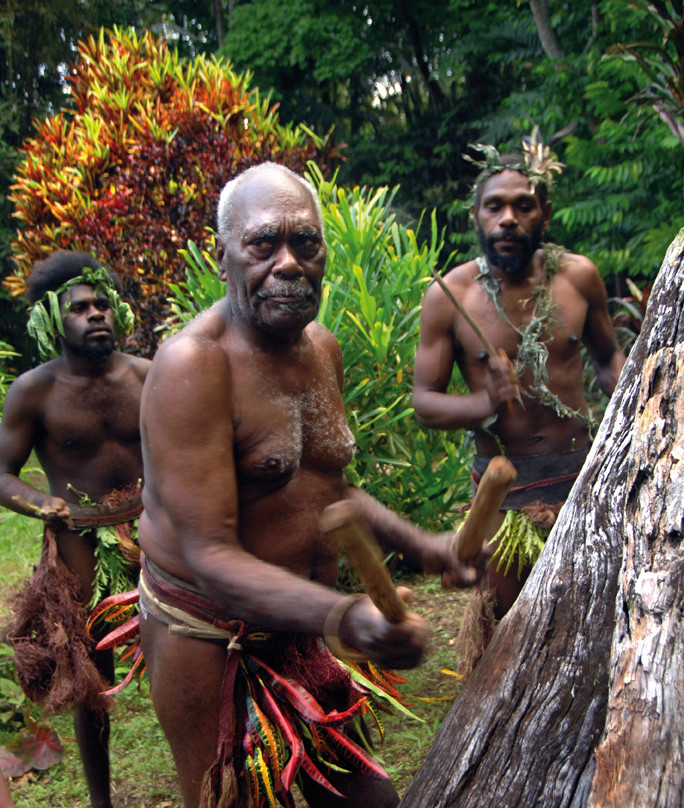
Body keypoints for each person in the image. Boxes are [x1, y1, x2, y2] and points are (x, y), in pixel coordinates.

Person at [137, 162, 475, 808]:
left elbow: (328, 491)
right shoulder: (193, 368)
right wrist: (346, 616)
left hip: (295, 632)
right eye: (264, 244)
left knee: (371, 802)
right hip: (212, 641)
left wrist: (426, 544)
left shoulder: (320, 347)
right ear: (224, 257)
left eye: (306, 243)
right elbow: (210, 556)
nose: (288, 263)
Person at [412, 142, 626, 625]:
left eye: (523, 206)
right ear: (476, 215)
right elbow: (424, 403)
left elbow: (608, 357)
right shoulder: (450, 295)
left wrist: (646, 398)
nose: (508, 218)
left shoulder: (579, 278)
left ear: (544, 213)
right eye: (495, 206)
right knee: (505, 625)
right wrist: (485, 401)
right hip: (502, 496)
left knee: (590, 619)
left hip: (581, 484)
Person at [0, 250, 150, 808]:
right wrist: (43, 504)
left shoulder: (148, 377)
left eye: (103, 304)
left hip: (152, 536)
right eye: (80, 308)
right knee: (92, 678)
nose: (95, 315)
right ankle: (101, 801)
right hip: (79, 542)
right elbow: (1, 475)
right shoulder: (34, 392)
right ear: (51, 321)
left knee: (188, 645)